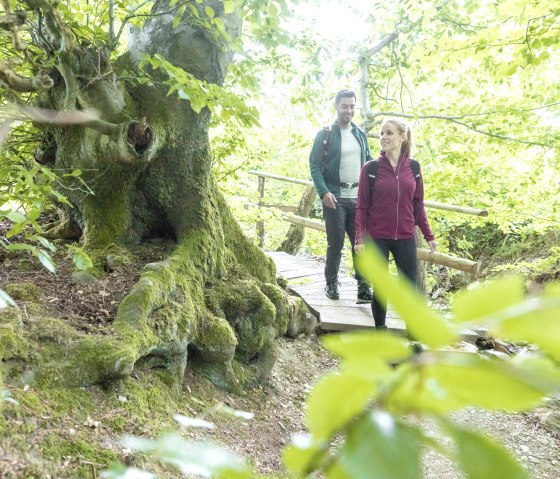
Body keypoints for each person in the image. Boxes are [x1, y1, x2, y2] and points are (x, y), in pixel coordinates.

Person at [354, 118, 437, 329]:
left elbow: (418, 205)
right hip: (377, 237)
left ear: (403, 137)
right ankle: (380, 331)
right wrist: (359, 238)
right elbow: (361, 207)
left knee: (409, 289)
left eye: (389, 133)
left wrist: (429, 236)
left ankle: (414, 337)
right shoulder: (370, 168)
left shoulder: (414, 168)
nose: (383, 137)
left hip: (406, 236)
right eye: (382, 133)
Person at [309, 89, 373, 303]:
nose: (349, 110)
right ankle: (331, 283)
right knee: (335, 244)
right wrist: (324, 191)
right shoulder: (325, 134)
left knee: (361, 243)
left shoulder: (359, 134)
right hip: (334, 197)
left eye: (352, 106)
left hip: (358, 198)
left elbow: (370, 161)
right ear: (336, 106)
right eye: (345, 106)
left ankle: (364, 288)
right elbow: (314, 166)